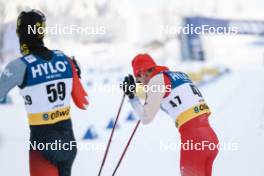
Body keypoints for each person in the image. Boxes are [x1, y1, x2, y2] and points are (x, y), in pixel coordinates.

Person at [0, 9, 89, 176]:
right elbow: (81, 101)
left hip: (42, 144)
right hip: (68, 143)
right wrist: (73, 74)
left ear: (21, 34)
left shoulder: (19, 66)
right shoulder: (64, 58)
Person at [122, 54, 219, 176]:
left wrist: (132, 97)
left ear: (143, 73)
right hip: (210, 138)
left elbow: (146, 118)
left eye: (138, 80)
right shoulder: (180, 75)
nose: (141, 84)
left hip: (194, 140)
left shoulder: (156, 81)